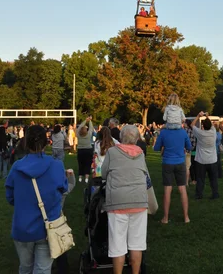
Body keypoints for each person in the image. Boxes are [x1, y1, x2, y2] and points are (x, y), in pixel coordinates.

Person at [5, 125, 68, 274]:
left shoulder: (17, 167)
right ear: (46, 142)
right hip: (48, 226)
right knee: (42, 269)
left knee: (26, 268)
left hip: (24, 227)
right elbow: (63, 189)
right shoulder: (56, 166)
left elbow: (10, 197)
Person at [102, 125, 149, 274]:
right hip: (139, 201)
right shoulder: (140, 153)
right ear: (136, 138)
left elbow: (104, 174)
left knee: (118, 245)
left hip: (118, 202)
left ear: (121, 137)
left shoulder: (112, 152)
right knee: (137, 244)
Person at [154, 118, 191, 223]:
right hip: (180, 162)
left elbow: (156, 148)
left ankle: (165, 218)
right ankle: (186, 217)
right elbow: (189, 146)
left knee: (167, 189)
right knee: (182, 189)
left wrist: (164, 147)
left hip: (167, 162)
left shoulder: (164, 132)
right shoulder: (183, 132)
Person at [191, 112, 219, 199]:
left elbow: (192, 125)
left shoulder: (200, 133)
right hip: (212, 160)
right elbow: (212, 126)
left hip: (201, 160)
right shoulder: (213, 132)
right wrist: (207, 116)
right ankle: (215, 194)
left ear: (203, 125)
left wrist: (198, 116)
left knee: (200, 179)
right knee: (213, 179)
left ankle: (199, 195)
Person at [77, 117, 94, 184]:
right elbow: (91, 128)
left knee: (81, 164)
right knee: (87, 164)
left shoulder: (78, 135)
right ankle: (86, 178)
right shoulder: (89, 135)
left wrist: (85, 120)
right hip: (88, 150)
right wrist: (89, 121)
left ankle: (80, 177)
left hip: (80, 150)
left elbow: (79, 127)